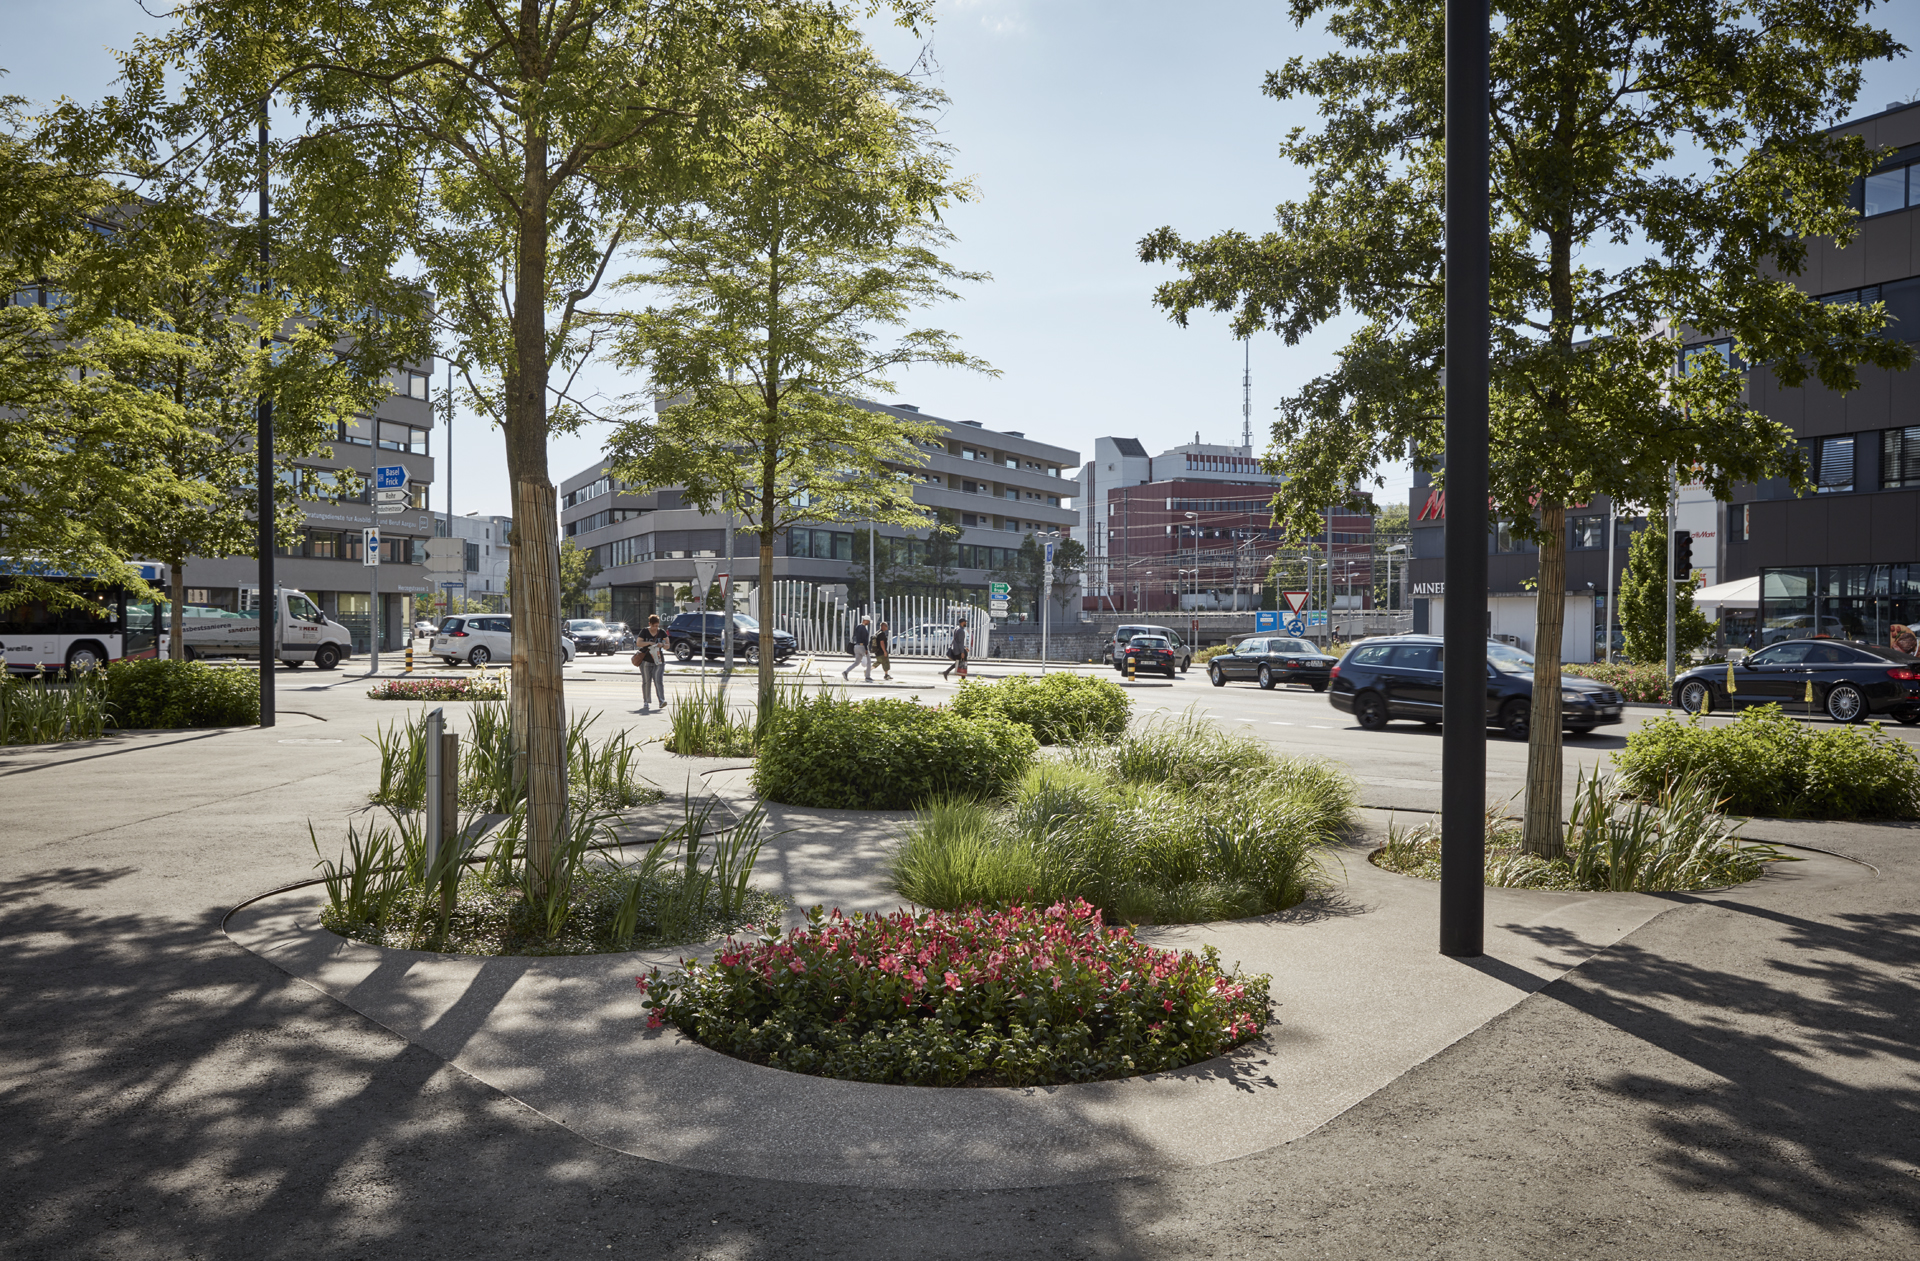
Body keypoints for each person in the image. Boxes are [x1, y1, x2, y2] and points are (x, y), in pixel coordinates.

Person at [633, 614, 669, 710]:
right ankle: (646, 701)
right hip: (646, 661)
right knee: (646, 681)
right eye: (653, 626)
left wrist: (662, 644)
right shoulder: (644, 631)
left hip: (659, 661)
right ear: (650, 624)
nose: (655, 628)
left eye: (657, 626)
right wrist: (649, 643)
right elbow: (638, 643)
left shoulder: (661, 632)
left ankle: (661, 701)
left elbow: (668, 644)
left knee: (658, 681)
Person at [844, 615, 873, 682]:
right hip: (862, 646)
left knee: (857, 662)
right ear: (865, 620)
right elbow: (864, 639)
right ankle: (867, 677)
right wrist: (866, 649)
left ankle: (846, 672)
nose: (868, 622)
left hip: (856, 646)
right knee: (869, 662)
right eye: (868, 621)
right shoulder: (863, 628)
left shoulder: (857, 627)